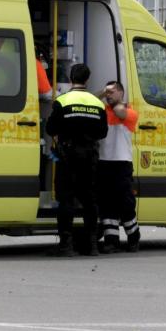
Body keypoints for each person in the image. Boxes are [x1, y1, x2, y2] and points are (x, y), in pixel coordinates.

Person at [46, 64, 108, 256]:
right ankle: (92, 245)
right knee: (90, 200)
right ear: (87, 80)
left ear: (71, 79)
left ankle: (66, 245)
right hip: (89, 158)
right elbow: (103, 132)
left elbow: (50, 128)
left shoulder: (62, 101)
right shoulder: (97, 104)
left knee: (66, 200)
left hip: (67, 157)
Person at [96, 81, 140, 253]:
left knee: (126, 203)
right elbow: (88, 100)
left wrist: (115, 102)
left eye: (112, 92)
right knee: (106, 204)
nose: (108, 95)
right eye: (107, 93)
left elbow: (119, 111)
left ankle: (134, 237)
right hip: (104, 162)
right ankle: (111, 241)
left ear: (121, 93)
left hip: (122, 164)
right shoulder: (102, 111)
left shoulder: (129, 112)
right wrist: (103, 91)